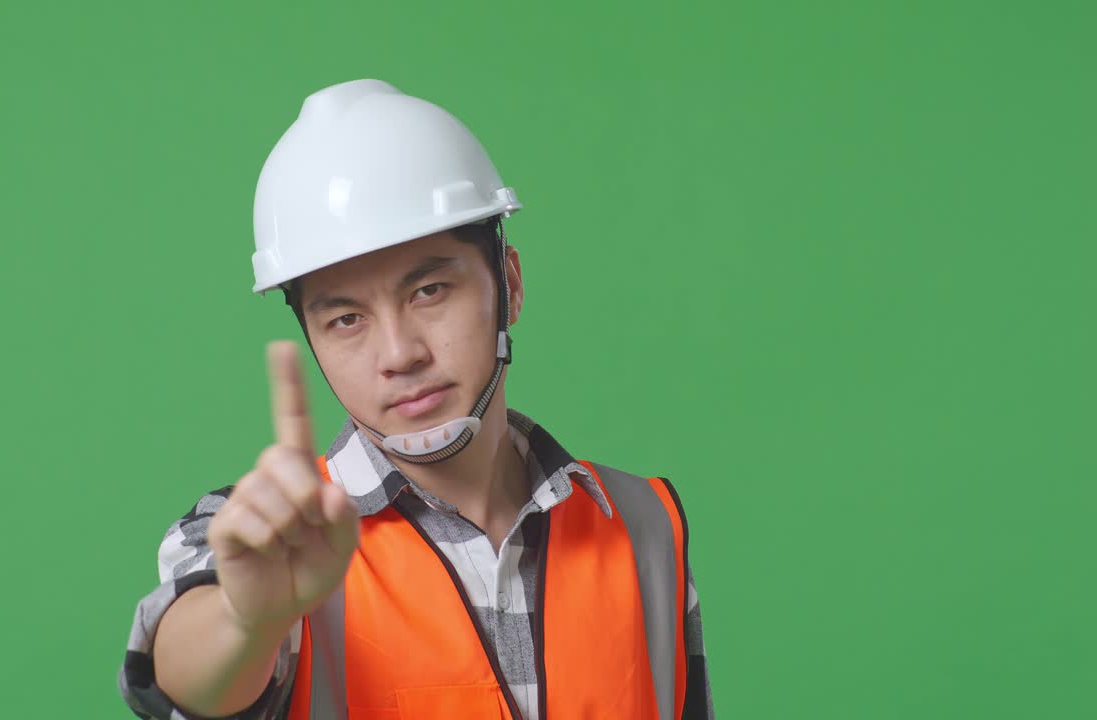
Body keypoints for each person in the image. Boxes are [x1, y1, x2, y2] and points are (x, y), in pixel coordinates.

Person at [118, 79, 714, 720]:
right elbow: (188, 678)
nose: (399, 354)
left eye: (429, 290)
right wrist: (247, 620)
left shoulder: (643, 521)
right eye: (345, 319)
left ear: (508, 285)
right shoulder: (266, 540)